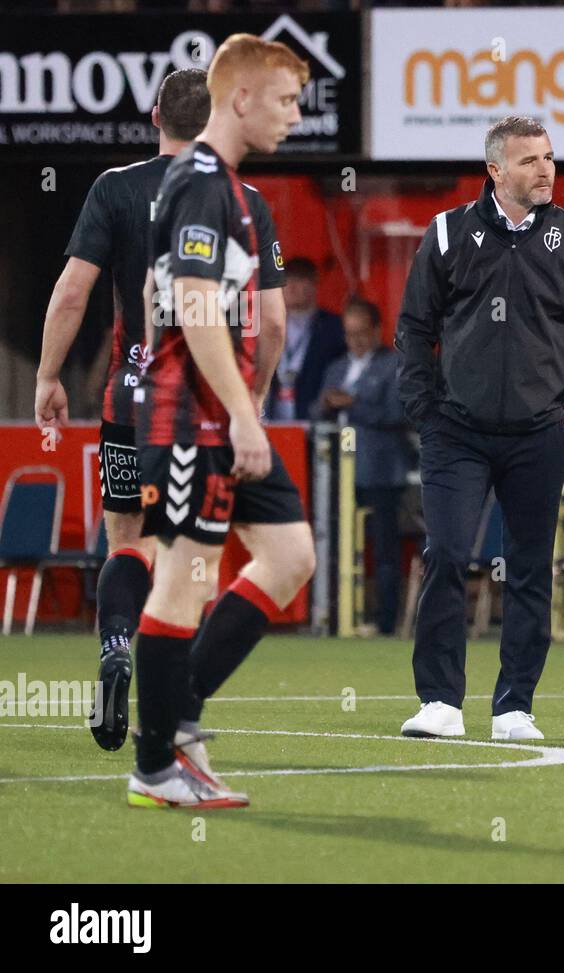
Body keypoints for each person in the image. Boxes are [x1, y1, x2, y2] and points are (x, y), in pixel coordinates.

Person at [33, 68, 287, 753]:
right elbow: (271, 319)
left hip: (131, 397)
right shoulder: (245, 198)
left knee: (129, 543)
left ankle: (115, 647)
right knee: (195, 559)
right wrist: (253, 403)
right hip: (207, 405)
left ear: (154, 115)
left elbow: (70, 292)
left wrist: (50, 377)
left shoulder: (114, 187)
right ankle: (173, 700)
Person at [396, 115, 564, 742]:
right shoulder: (447, 233)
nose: (546, 170)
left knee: (529, 567)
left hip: (540, 432)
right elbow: (415, 329)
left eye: (550, 157)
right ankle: (440, 702)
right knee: (446, 553)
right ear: (495, 171)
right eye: (530, 161)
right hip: (457, 431)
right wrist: (426, 412)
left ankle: (514, 707)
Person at [128, 34, 316, 809]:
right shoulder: (203, 183)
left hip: (217, 414)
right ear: (239, 99)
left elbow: (152, 292)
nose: (296, 119)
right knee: (184, 580)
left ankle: (180, 716)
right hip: (196, 422)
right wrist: (242, 413)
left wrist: (236, 405)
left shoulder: (229, 190)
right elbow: (198, 306)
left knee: (290, 554)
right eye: (286, 101)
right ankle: (155, 765)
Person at [314, 297, 410, 636]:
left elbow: (398, 415)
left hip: (381, 470)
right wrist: (326, 405)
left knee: (384, 548)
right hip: (335, 475)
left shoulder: (394, 364)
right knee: (332, 544)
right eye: (349, 333)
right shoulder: (336, 367)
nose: (355, 340)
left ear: (377, 330)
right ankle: (335, 617)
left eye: (362, 333)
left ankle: (385, 621)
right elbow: (316, 412)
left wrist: (353, 403)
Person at [267, 257, 345, 420]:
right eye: (287, 280)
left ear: (314, 284)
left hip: (314, 417)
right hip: (272, 415)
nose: (292, 287)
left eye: (299, 279)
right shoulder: (268, 323)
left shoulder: (334, 327)